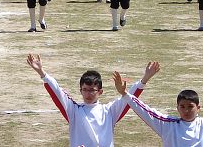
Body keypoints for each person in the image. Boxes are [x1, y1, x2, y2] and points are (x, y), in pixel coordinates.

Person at [27, 54, 156, 147]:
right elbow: (57, 92)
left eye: (92, 90)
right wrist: (42, 73)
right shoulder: (74, 111)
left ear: (100, 92)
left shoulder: (109, 111)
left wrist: (144, 79)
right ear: (80, 90)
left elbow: (129, 99)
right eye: (85, 90)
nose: (88, 94)